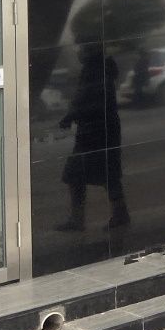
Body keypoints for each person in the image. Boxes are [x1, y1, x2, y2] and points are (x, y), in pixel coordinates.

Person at [57, 43, 130, 231]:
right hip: (100, 130)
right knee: (106, 174)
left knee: (77, 174)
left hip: (95, 132)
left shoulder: (95, 71)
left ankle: (79, 219)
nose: (78, 53)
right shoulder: (99, 69)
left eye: (82, 49)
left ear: (90, 51)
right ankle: (118, 214)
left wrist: (70, 116)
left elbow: (87, 100)